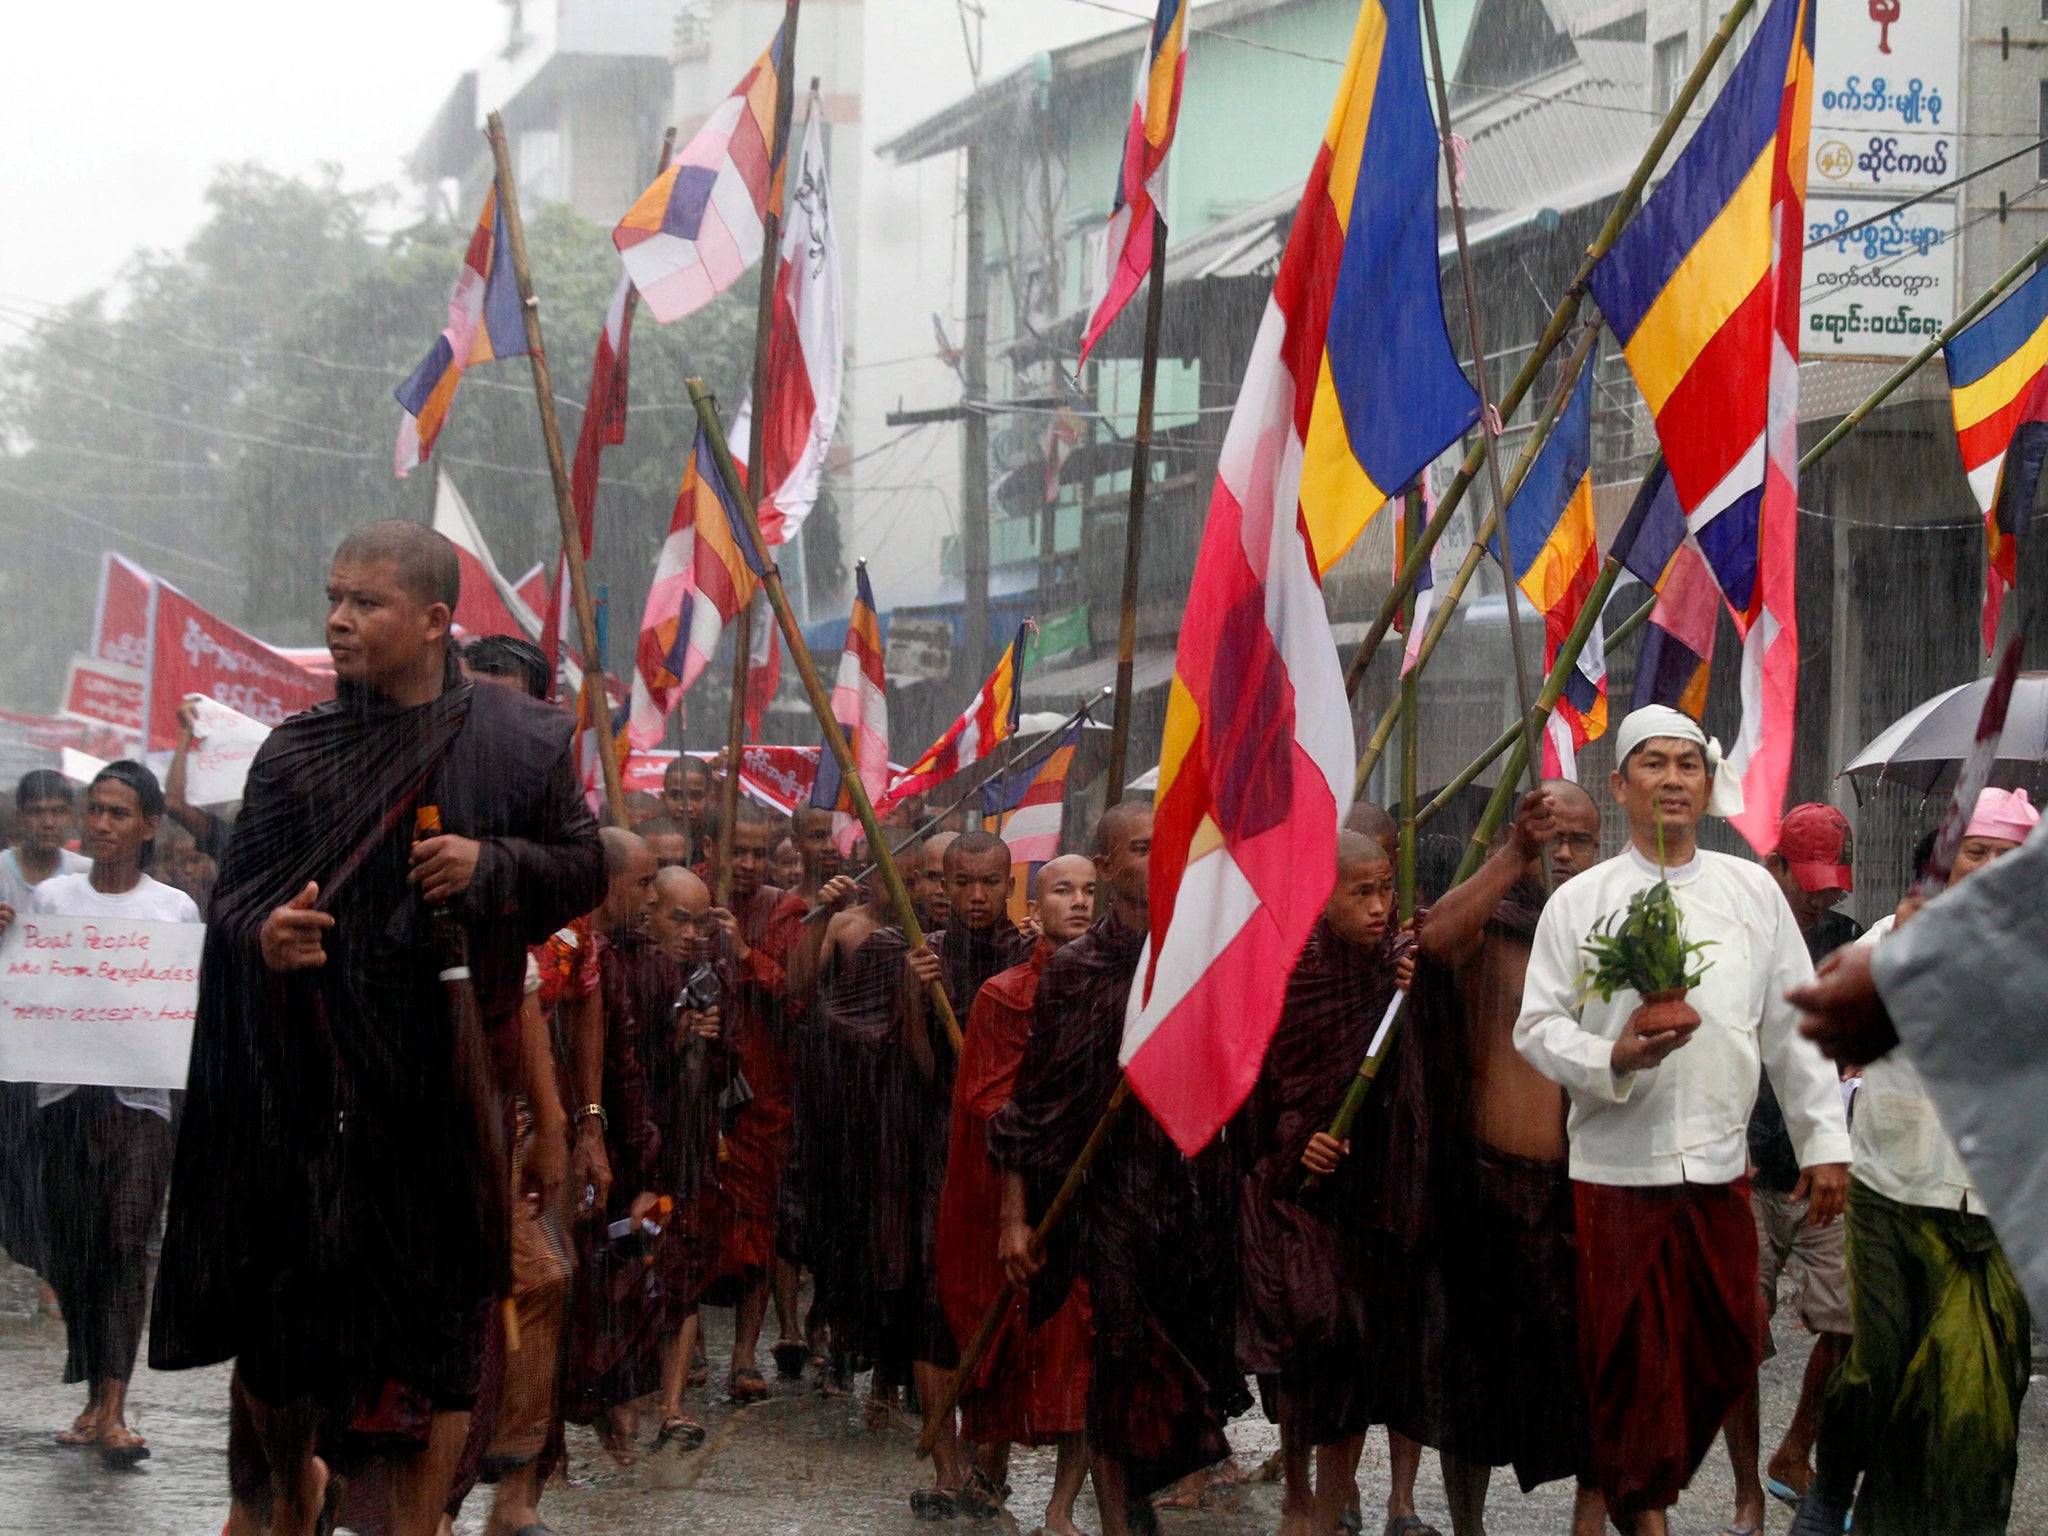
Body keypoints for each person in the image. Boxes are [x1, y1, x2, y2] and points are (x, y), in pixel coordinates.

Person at [148, 521, 604, 1536]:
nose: (339, 621)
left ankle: (411, 1522)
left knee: (432, 1358)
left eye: (367, 604)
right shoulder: (298, 752)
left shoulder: (520, 740)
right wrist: (263, 935)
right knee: (279, 1351)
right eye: (334, 598)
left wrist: (493, 867)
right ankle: (285, 1491)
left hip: (438, 1105)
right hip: (309, 1104)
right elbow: (234, 903)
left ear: (438, 620)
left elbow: (583, 866)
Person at [1513, 706, 1850, 1536]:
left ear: (1707, 784)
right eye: (1654, 765)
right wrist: (1612, 1058)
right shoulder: (1579, 901)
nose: (1672, 779)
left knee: (1731, 1344)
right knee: (1628, 1366)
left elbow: (1795, 1029)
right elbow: (1537, 1027)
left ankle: (1645, 1490)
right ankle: (1649, 1514)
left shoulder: (1749, 893)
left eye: (1688, 765)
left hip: (1717, 1167)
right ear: (1620, 784)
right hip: (1614, 1171)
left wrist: (1825, 1144)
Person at [990, 803, 1249, 1536]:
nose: (1156, 857)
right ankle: (1113, 1518)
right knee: (1120, 1352)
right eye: (1140, 847)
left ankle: (1139, 1490)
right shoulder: (1075, 971)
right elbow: (1031, 1104)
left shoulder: (1192, 955)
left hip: (1190, 1190)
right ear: (1104, 868)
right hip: (1104, 1194)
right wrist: (1015, 1219)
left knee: (1189, 1351)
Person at [1788, 794, 2036, 1536]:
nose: (1990, 870)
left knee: (1972, 1400)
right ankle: (1831, 1488)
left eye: (2008, 859)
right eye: (1976, 853)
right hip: (1888, 1188)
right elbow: (1816, 1038)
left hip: (1995, 1210)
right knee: (1872, 1375)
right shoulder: (1883, 945)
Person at [1409, 782, 1606, 1536]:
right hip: (1488, 1183)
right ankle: (1467, 1528)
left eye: (1578, 840)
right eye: (1549, 839)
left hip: (1585, 1190)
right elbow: (1432, 943)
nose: (1562, 854)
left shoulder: (1617, 928)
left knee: (1594, 1378)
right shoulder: (1493, 918)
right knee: (1472, 1385)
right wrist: (1510, 854)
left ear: (1600, 846)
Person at [0, 762, 198, 1465]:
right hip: (61, 1098)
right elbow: (22, 984)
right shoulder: (50, 900)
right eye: (98, 811)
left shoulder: (172, 911)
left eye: (120, 814)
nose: (103, 825)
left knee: (124, 1239)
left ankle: (114, 1403)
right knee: (75, 1248)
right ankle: (92, 1392)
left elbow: (181, 1002)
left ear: (149, 827)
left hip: (141, 1102)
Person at [1239, 831, 1411, 1536]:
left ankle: (1336, 1499)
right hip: (1294, 1195)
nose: (1378, 907)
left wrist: (1412, 989)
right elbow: (1256, 1094)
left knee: (1357, 1347)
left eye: (1385, 890)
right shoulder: (1289, 974)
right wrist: (1293, 1149)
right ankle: (1297, 1494)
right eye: (1360, 892)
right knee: (1305, 1341)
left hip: (1371, 1186)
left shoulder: (1396, 972)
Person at [937, 853, 1099, 1536]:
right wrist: (1016, 1207)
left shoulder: (1121, 984)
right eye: (1064, 890)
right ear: (1035, 905)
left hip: (1095, 1197)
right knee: (1001, 1336)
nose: (1081, 903)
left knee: (1088, 1354)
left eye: (1092, 891)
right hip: (1010, 1194)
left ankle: (1062, 1508)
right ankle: (986, 1471)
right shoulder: (1004, 995)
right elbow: (988, 1102)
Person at [1722, 802, 1861, 1525]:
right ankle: (1747, 1486)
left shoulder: (1850, 944)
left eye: (1829, 885)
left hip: (1823, 1173)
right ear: (1772, 866)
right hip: (1746, 1166)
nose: (1819, 898)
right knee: (1741, 1325)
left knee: (1850, 1322)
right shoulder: (1733, 932)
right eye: (1807, 882)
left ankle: (1796, 1443)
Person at [903, 830, 1033, 1515]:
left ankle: (991, 1464)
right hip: (938, 1150)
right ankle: (948, 1470)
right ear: (942, 887)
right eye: (963, 884)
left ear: (1008, 885)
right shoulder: (931, 956)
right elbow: (922, 1068)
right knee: (933, 1308)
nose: (977, 897)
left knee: (1002, 1307)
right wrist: (918, 998)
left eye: (990, 884)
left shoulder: (1029, 955)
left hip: (1007, 1156)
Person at [569, 828, 668, 1463]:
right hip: (589, 1146)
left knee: (640, 1281)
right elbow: (620, 1070)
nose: (653, 897)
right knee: (578, 1287)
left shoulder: (636, 954)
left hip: (640, 1151)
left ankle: (622, 1409)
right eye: (645, 883)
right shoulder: (576, 954)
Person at [707, 797, 810, 1401]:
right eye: (735, 851)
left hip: (761, 1094)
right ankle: (682, 1348)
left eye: (757, 853)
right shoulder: (688, 894)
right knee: (688, 1217)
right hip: (696, 1085)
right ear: (711, 850)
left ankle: (744, 1352)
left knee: (755, 1224)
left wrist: (744, 955)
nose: (746, 864)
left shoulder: (782, 908)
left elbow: (795, 992)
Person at [0, 769, 87, 1290]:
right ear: (20, 817)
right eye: (38, 811)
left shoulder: (87, 874)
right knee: (12, 1152)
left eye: (58, 811)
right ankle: (34, 1254)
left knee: (57, 1153)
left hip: (64, 1040)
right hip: (7, 1040)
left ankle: (54, 1269)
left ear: (70, 817)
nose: (48, 821)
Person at [662, 757, 714, 864]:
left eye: (696, 796)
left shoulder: (720, 847)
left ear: (710, 800)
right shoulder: (648, 842)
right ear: (663, 798)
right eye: (676, 795)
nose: (685, 807)